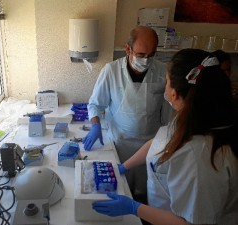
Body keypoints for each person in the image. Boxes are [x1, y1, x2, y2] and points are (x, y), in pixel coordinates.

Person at [92, 49, 238, 225]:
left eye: (167, 82)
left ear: (174, 93)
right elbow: (158, 143)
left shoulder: (199, 155)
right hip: (160, 213)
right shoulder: (190, 120)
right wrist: (123, 167)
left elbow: (190, 222)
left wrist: (135, 208)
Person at [83, 26, 172, 201]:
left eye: (151, 55)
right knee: (120, 188)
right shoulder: (111, 71)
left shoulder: (163, 72)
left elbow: (168, 112)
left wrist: (167, 140)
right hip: (120, 142)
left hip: (150, 143)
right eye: (140, 55)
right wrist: (95, 125)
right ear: (128, 49)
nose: (146, 60)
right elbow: (95, 104)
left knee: (145, 193)